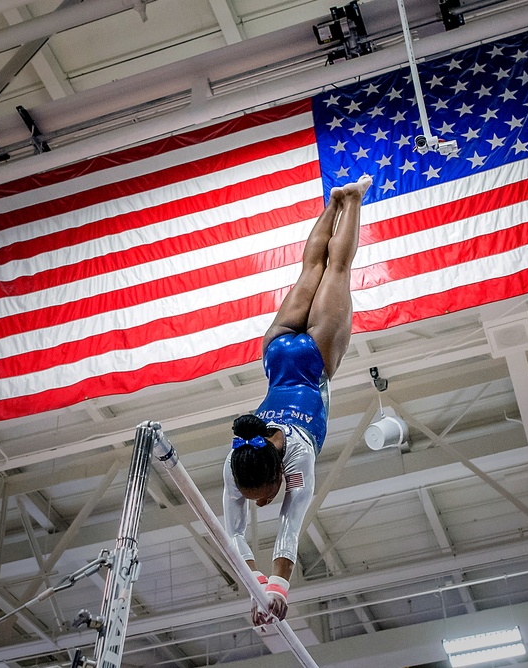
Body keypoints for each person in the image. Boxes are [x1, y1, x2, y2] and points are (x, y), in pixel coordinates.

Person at [222, 174, 372, 626]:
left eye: (261, 498)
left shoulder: (297, 458)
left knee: (335, 270)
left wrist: (275, 588)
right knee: (310, 272)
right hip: (274, 352)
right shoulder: (236, 462)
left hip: (313, 360)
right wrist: (258, 589)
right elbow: (234, 536)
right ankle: (334, 202)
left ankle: (353, 200)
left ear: (275, 476)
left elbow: (287, 527)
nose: (260, 505)